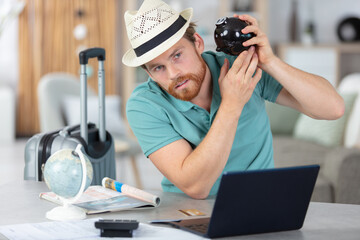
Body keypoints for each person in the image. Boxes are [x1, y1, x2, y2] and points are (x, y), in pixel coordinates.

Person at [122, 0, 344, 199]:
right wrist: (231, 104)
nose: (172, 74)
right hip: (189, 213)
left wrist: (270, 62)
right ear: (149, 74)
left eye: (177, 55)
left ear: (198, 43)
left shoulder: (241, 66)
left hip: (260, 203)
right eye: (158, 68)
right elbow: (196, 186)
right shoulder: (144, 105)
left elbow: (333, 108)